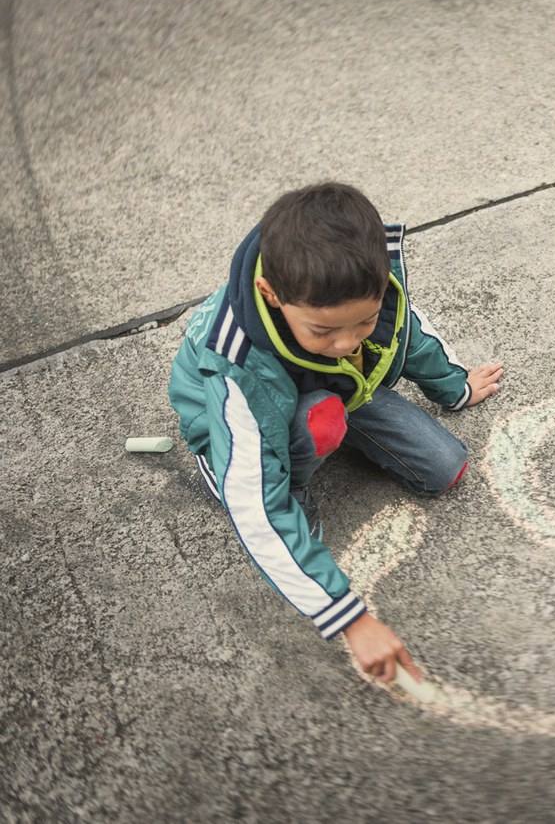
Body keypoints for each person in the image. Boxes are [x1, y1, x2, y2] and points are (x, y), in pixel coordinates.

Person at [169, 182, 503, 682]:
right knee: (311, 430)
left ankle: (329, 421)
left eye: (362, 322)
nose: (346, 342)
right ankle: (262, 470)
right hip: (249, 418)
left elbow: (406, 335)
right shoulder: (238, 366)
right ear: (272, 295)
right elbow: (256, 509)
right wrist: (349, 617)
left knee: (445, 468)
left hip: (342, 391)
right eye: (323, 332)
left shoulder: (365, 281)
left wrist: (453, 387)